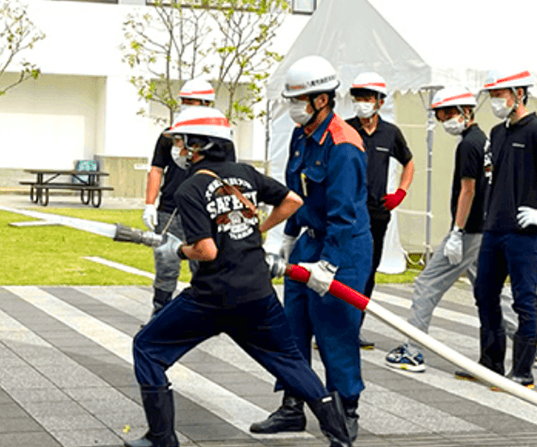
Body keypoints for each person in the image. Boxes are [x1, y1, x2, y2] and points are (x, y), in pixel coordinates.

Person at [126, 106, 353, 447]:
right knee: (290, 360)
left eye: (184, 143)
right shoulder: (246, 174)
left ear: (201, 145)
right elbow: (292, 200)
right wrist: (256, 231)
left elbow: (206, 251)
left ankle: (161, 437)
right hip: (257, 293)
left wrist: (176, 251)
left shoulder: (190, 188)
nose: (180, 151)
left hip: (210, 297)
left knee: (146, 347)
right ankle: (340, 434)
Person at [249, 56, 371, 443]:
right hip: (309, 240)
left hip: (344, 247)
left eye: (299, 99)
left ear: (322, 100)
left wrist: (330, 264)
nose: (293, 106)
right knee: (292, 326)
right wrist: (285, 239)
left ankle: (345, 409)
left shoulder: (344, 145)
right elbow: (296, 194)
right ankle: (292, 406)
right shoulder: (303, 135)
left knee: (335, 329)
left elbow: (344, 215)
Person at [384, 86, 516, 372]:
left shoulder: (469, 144)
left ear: (466, 111)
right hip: (484, 230)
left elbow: (467, 191)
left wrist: (457, 232)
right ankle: (532, 338)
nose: (444, 120)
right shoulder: (483, 140)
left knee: (425, 284)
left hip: (468, 232)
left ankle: (413, 350)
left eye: (448, 113)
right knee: (490, 294)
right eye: (440, 115)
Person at [142, 79, 234, 317]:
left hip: (204, 211)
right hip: (171, 209)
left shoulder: (222, 139)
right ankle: (159, 314)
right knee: (166, 263)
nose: (184, 106)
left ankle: (202, 316)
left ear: (205, 104)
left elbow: (228, 176)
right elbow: (156, 169)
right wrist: (150, 205)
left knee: (203, 265)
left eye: (190, 102)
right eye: (182, 102)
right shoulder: (169, 135)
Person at [470, 69, 537, 388]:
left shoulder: (536, 129)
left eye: (501, 95)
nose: (496, 101)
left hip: (525, 233)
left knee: (525, 300)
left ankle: (522, 371)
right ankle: (491, 362)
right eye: (493, 96)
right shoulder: (496, 133)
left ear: (519, 94)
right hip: (494, 227)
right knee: (484, 293)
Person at [346, 72, 415, 350]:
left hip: (376, 213)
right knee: (344, 269)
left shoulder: (391, 133)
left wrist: (400, 192)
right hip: (348, 211)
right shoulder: (346, 129)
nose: (362, 103)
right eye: (358, 98)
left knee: (368, 270)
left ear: (379, 101)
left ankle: (354, 328)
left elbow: (409, 163)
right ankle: (334, 327)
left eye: (367, 98)